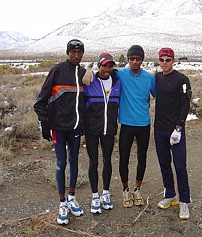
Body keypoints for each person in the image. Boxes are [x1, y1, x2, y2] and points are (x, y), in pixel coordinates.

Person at [33, 39, 85, 225]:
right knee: (61, 162)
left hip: (75, 127)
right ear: (67, 53)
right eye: (73, 52)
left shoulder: (83, 73)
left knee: (74, 161)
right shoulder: (57, 70)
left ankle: (71, 197)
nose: (77, 55)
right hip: (58, 128)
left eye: (80, 52)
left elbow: (87, 99)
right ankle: (62, 203)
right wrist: (45, 122)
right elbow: (40, 100)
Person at [154, 47, 192, 220]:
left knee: (179, 166)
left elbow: (185, 104)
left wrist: (179, 127)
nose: (164, 63)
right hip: (159, 129)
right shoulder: (157, 78)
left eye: (168, 60)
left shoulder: (182, 80)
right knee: (164, 164)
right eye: (161, 60)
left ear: (173, 60)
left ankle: (184, 201)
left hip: (175, 130)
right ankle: (170, 194)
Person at [117, 45, 156, 208]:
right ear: (128, 59)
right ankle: (125, 189)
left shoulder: (149, 78)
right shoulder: (120, 74)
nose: (134, 62)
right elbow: (102, 73)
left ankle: (137, 189)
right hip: (126, 124)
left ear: (142, 60)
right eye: (131, 59)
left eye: (138, 59)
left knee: (142, 157)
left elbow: (159, 95)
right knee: (124, 158)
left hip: (143, 124)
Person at [84, 53, 121, 214]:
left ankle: (105, 193)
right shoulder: (90, 80)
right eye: (104, 65)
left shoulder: (117, 82)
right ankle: (94, 196)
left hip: (109, 130)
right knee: (94, 161)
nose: (107, 69)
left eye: (110, 66)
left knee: (107, 160)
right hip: (91, 130)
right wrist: (85, 70)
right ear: (99, 66)